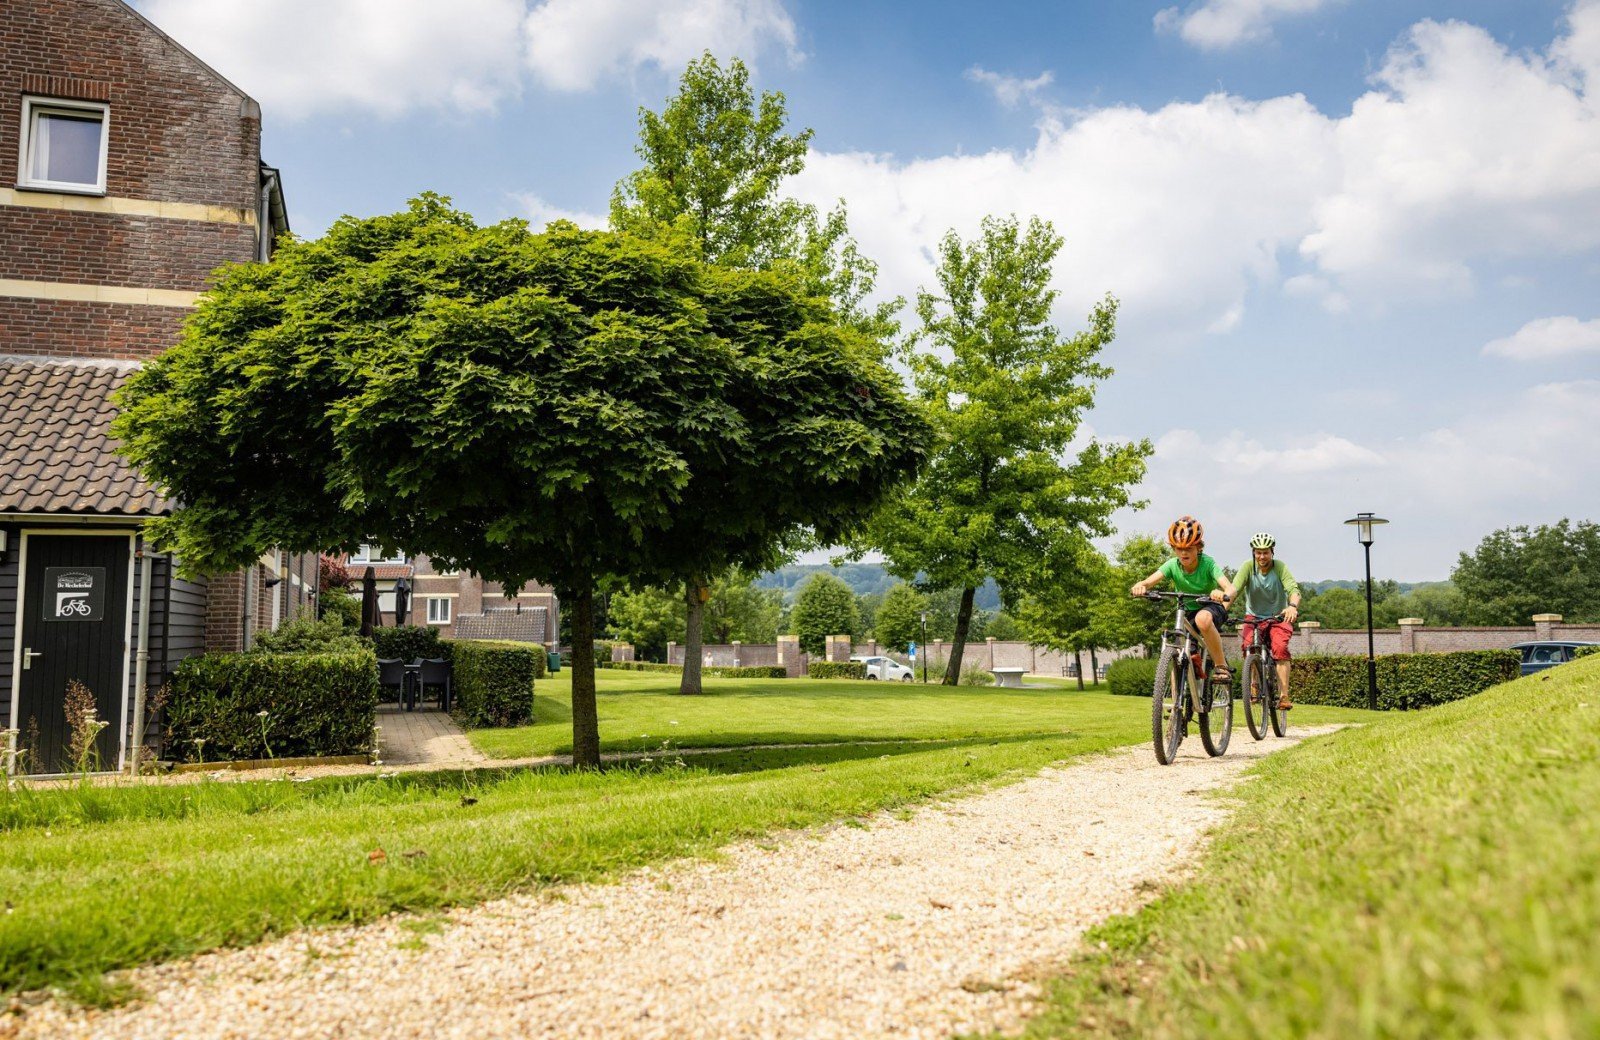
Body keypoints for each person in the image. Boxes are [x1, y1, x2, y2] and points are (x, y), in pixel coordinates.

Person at [1130, 516, 1237, 684]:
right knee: (1183, 656)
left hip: (1210, 607)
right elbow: (1149, 581)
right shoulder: (1172, 565)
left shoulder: (1208, 563)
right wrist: (1140, 586)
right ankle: (1178, 705)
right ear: (1174, 548)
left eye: (1189, 548)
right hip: (1186, 611)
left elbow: (1231, 588)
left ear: (1199, 547)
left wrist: (1220, 593)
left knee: (1203, 619)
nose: (1184, 553)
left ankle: (1221, 666)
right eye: (1179, 548)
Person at [1221, 531, 1301, 711]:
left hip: (1278, 617)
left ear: (1272, 552)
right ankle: (1255, 683)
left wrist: (1292, 606)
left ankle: (1283, 696)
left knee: (1280, 648)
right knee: (1249, 647)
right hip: (1254, 616)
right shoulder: (1248, 567)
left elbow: (1293, 589)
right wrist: (1221, 610)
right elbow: (1234, 589)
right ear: (1253, 553)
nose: (1262, 556)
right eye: (1258, 552)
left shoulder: (1280, 567)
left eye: (1266, 552)